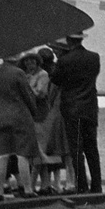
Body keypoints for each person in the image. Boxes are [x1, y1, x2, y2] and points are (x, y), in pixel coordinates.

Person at [50, 31, 102, 194]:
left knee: (76, 150)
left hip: (72, 109)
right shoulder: (94, 57)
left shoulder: (64, 60)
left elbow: (56, 80)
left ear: (68, 41)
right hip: (90, 108)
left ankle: (82, 185)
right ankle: (96, 186)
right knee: (92, 148)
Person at [0, 54, 41, 200]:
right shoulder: (19, 73)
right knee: (22, 155)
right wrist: (34, 111)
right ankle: (28, 189)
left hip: (1, 117)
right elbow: (28, 95)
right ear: (17, 59)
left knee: (2, 155)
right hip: (20, 116)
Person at [29, 49, 70, 194]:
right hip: (51, 115)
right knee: (50, 153)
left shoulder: (44, 75)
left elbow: (44, 95)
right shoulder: (54, 72)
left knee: (40, 153)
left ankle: (37, 185)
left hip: (42, 116)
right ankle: (52, 184)